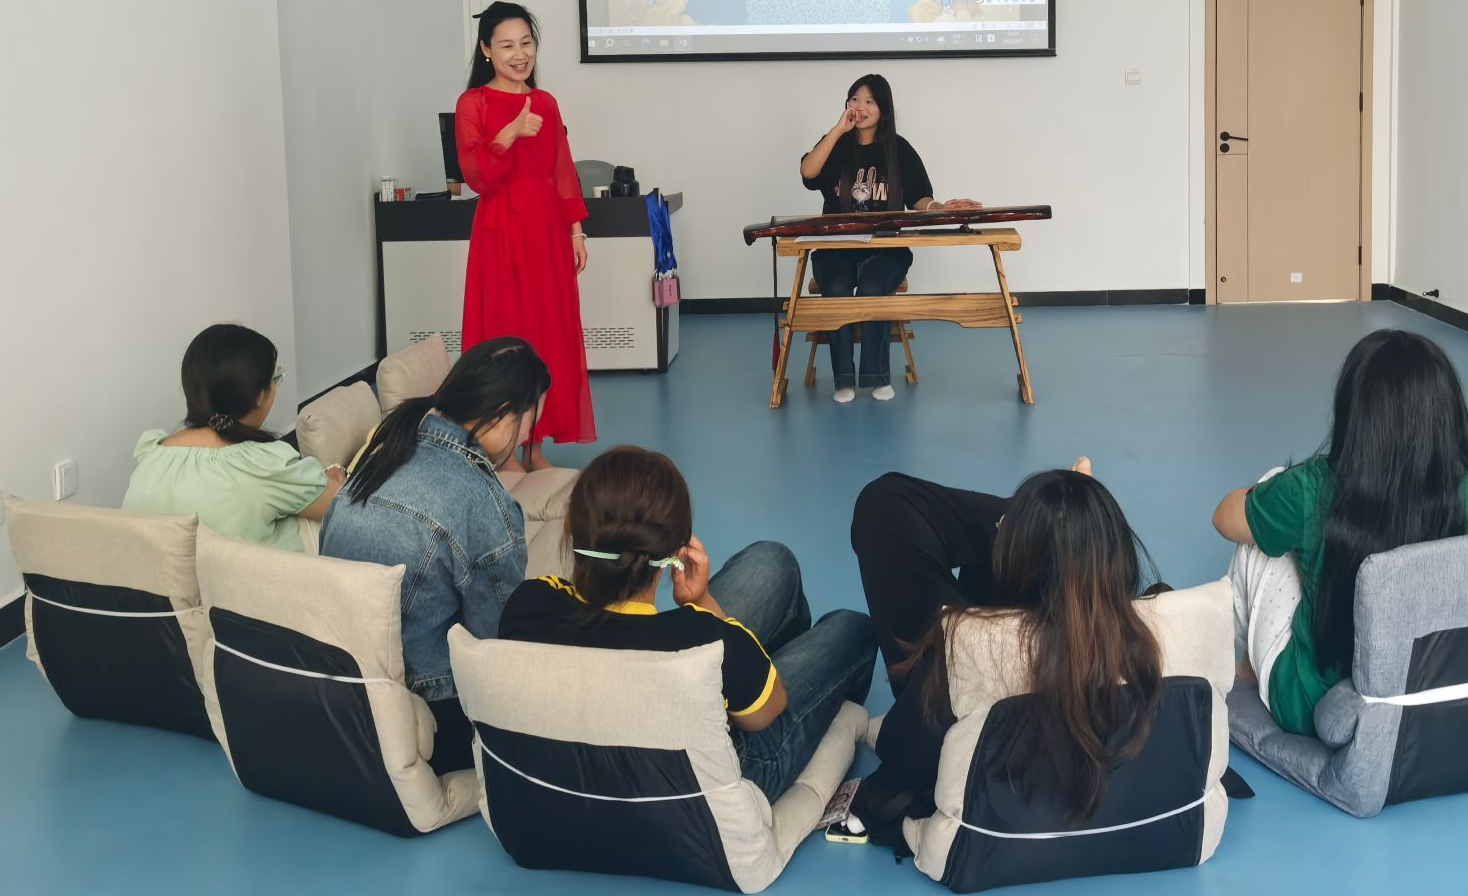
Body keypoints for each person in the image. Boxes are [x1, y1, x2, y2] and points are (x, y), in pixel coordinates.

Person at [498, 447, 876, 802]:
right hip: (702, 781)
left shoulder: (529, 603)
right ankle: (756, 683)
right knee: (852, 628)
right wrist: (703, 601)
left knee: (771, 562)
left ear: (570, 528)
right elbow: (771, 710)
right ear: (673, 554)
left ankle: (749, 679)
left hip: (576, 770)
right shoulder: (705, 642)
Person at [840, 459, 1164, 842]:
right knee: (1052, 534)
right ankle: (1062, 526)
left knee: (884, 505)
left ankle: (1044, 523)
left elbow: (904, 757)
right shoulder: (1160, 628)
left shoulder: (969, 653)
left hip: (978, 659)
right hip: (1064, 604)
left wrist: (871, 801)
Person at [1210, 330, 1468, 737]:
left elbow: (1224, 519)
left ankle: (1235, 668)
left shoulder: (1312, 487)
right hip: (1432, 695)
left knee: (1264, 521)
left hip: (1313, 703)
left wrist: (1267, 492)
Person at [319, 338, 548, 774]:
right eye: (528, 423)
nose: (523, 437)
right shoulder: (483, 502)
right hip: (430, 715)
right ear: (503, 415)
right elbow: (496, 643)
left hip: (339, 691)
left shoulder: (379, 458)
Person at [454, 1, 593, 464]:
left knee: (548, 333)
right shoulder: (473, 103)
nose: (520, 54)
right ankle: (504, 449)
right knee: (505, 336)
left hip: (547, 232)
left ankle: (534, 446)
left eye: (526, 43)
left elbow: (562, 170)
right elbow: (476, 174)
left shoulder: (546, 102)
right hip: (501, 232)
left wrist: (576, 231)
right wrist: (510, 132)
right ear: (486, 50)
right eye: (507, 45)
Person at [797, 73, 978, 403]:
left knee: (873, 285)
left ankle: (876, 375)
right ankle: (843, 379)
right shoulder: (836, 144)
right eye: (855, 99)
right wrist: (837, 130)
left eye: (870, 101)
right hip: (836, 247)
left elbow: (920, 198)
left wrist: (942, 207)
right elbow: (808, 172)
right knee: (835, 287)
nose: (861, 107)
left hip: (885, 247)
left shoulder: (899, 148)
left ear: (883, 108)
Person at [123, 324, 343, 552]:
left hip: (155, 573)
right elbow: (338, 507)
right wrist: (334, 476)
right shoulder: (262, 465)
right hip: (253, 573)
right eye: (274, 378)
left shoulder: (151, 454)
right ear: (259, 397)